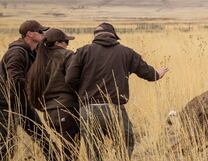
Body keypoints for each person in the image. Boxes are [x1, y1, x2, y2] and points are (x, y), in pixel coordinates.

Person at [66, 22, 169, 161]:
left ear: (95, 36)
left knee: (94, 153)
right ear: (114, 36)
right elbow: (148, 74)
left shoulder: (83, 51)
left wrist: (85, 91)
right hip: (114, 110)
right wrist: (157, 74)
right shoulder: (126, 52)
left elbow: (70, 79)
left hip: (88, 110)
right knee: (125, 144)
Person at [0, 20, 57, 160]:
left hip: (22, 104)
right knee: (6, 147)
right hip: (7, 106)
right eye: (40, 31)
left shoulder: (30, 52)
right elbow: (14, 80)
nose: (43, 34)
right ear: (30, 34)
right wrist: (31, 86)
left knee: (44, 140)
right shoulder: (17, 53)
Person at [27, 28, 79, 161]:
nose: (68, 45)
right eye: (66, 41)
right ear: (58, 42)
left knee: (65, 150)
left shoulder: (39, 61)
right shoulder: (67, 56)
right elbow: (74, 79)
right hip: (67, 109)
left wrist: (43, 107)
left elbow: (31, 89)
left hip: (49, 112)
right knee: (71, 153)